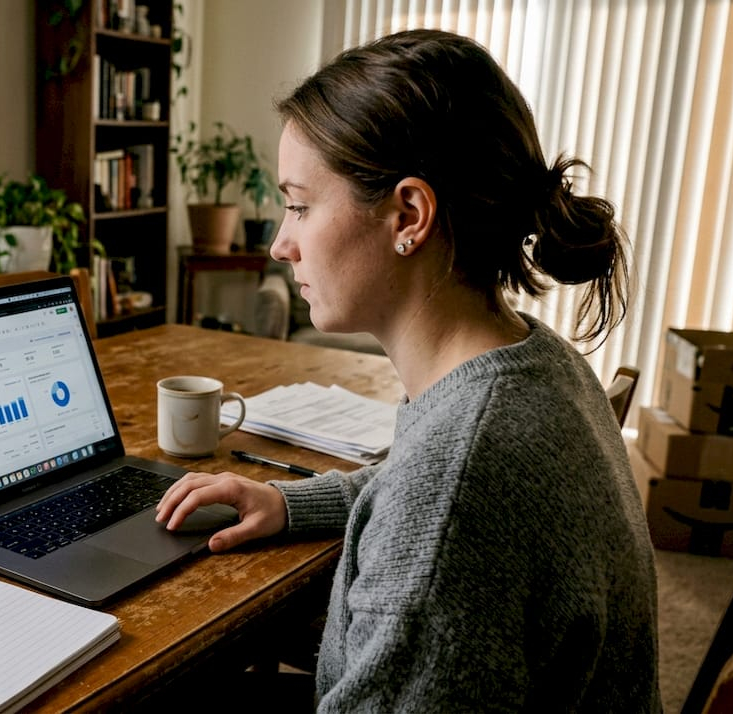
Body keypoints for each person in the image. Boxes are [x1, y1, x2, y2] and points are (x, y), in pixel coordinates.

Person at [156, 29, 659, 712]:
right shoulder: (537, 362)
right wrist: (287, 502)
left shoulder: (457, 489)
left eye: (300, 205)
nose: (280, 242)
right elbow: (414, 484)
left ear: (409, 216)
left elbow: (437, 500)